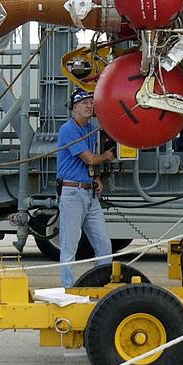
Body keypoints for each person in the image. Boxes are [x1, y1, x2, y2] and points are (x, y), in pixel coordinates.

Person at [54, 89, 116, 288]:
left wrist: (96, 176)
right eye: (83, 103)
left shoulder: (90, 129)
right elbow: (89, 158)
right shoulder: (68, 129)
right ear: (74, 108)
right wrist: (106, 156)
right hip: (73, 192)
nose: (89, 105)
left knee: (104, 244)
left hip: (88, 192)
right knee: (69, 246)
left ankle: (101, 284)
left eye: (91, 102)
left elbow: (90, 161)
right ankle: (68, 288)